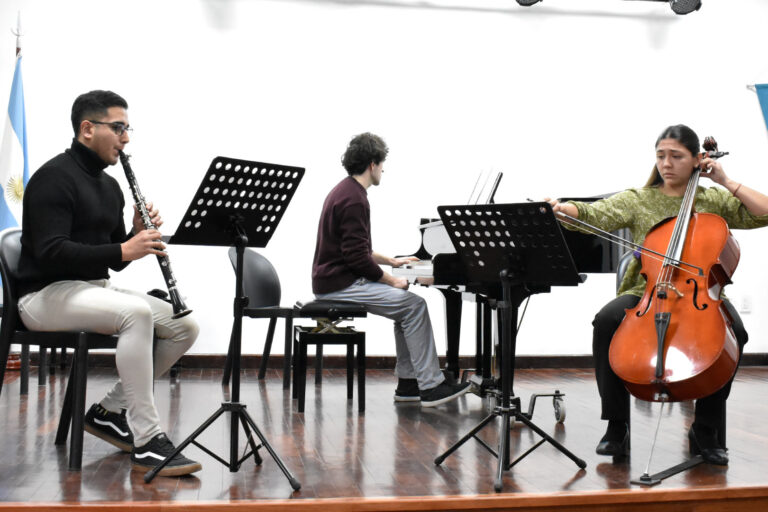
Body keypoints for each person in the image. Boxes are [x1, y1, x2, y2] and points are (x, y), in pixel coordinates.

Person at [548, 124, 768, 465]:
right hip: (645, 292)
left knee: (735, 335)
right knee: (606, 321)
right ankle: (617, 426)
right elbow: (592, 214)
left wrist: (726, 181)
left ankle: (706, 429)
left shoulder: (713, 201)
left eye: (676, 156)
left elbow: (764, 213)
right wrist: (563, 209)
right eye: (661, 156)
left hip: (700, 295)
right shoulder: (640, 199)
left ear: (697, 160)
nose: (666, 163)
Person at [17, 90, 201, 477]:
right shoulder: (53, 178)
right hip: (42, 295)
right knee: (135, 313)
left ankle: (109, 411)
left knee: (185, 325)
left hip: (90, 290)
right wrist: (123, 249)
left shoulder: (110, 186)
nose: (126, 138)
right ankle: (148, 440)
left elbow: (111, 260)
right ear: (87, 128)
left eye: (127, 128)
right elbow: (52, 252)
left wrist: (133, 235)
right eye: (119, 128)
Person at [311, 132, 470, 407]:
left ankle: (408, 384)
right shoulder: (355, 199)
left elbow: (355, 249)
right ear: (372, 163)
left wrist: (393, 262)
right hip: (339, 285)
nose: (384, 168)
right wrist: (391, 281)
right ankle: (431, 386)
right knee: (414, 306)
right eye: (382, 163)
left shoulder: (345, 190)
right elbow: (356, 258)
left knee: (405, 309)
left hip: (333, 280)